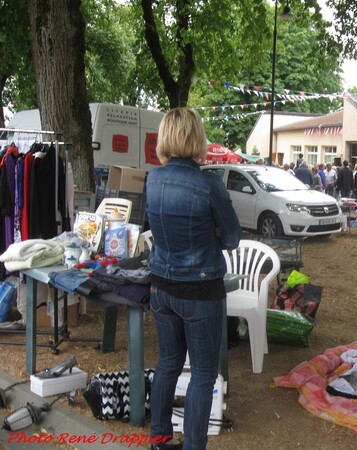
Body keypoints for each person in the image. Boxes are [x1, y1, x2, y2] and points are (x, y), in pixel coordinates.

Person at [146, 107, 241, 450]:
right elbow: (231, 239)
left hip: (161, 286)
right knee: (202, 373)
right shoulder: (208, 184)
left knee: (168, 363)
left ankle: (158, 440)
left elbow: (154, 228)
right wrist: (210, 234)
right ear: (196, 138)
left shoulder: (152, 179)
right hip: (200, 291)